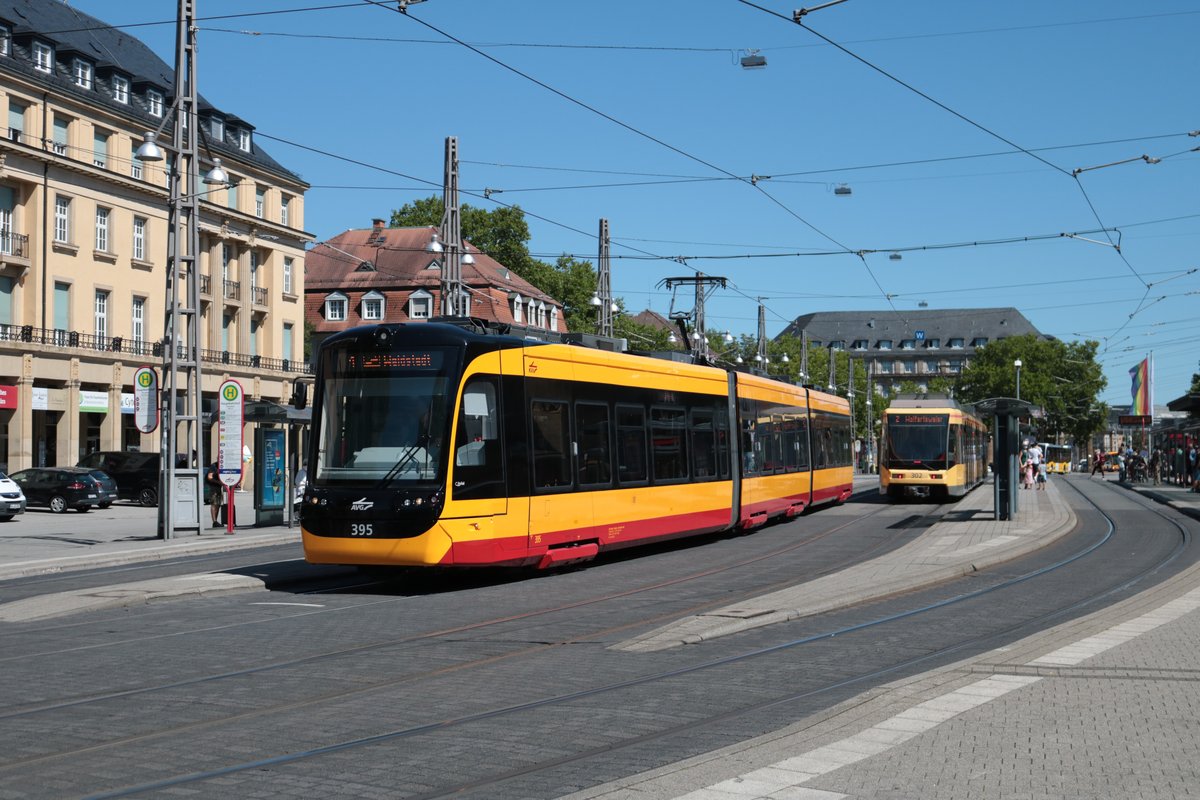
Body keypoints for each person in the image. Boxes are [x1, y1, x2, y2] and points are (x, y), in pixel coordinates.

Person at [205, 461, 226, 529]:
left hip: (218, 487)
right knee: (214, 504)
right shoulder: (214, 466)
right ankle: (214, 521)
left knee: (218, 504)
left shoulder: (222, 465)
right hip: (213, 487)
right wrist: (219, 482)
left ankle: (215, 522)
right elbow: (209, 477)